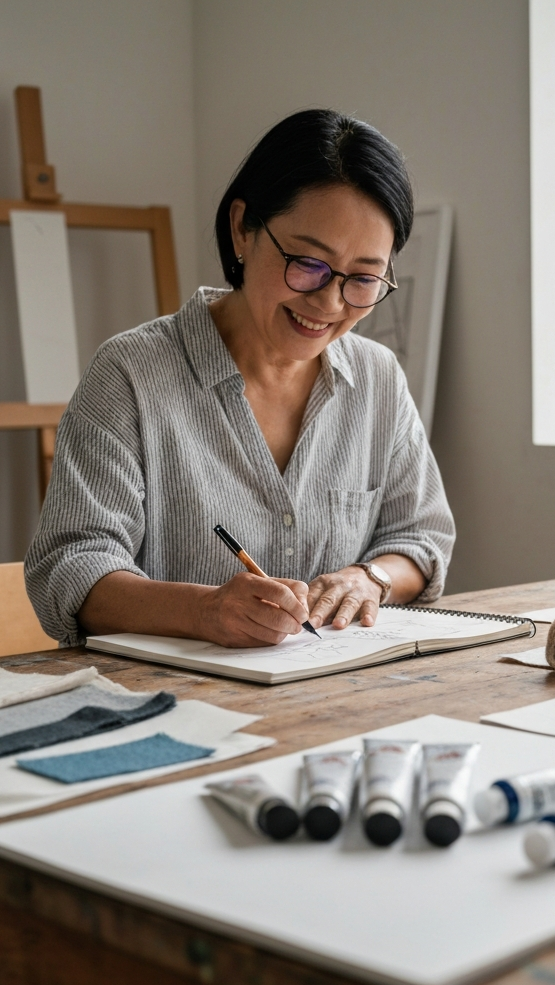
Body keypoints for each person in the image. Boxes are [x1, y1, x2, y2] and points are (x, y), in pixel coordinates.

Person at [25, 109, 455, 649]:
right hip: (171, 701)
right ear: (242, 229)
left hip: (335, 698)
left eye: (363, 279)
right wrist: (204, 611)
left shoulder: (377, 377)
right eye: (307, 262)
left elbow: (420, 537)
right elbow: (69, 567)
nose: (328, 302)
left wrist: (369, 578)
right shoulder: (130, 374)